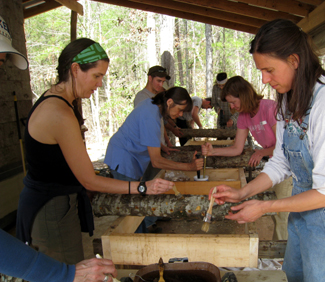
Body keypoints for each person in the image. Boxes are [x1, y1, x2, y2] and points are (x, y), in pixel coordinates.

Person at [208, 19, 325, 282]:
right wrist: (243, 192)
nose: (264, 80)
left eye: (269, 70)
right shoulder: (287, 98)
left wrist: (265, 207)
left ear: (294, 60)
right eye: (261, 71)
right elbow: (281, 161)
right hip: (305, 210)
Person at [0, 15, 118, 282]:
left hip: (56, 205)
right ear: (75, 69)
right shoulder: (59, 110)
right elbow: (89, 179)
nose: (99, 83)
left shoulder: (63, 101)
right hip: (50, 209)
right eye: (97, 75)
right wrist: (141, 187)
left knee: (67, 274)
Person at [202, 75, 292, 240]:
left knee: (283, 215)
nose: (232, 106)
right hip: (274, 165)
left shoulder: (269, 108)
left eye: (233, 102)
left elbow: (284, 144)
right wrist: (212, 151)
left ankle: (281, 256)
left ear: (243, 96)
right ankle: (277, 250)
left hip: (287, 166)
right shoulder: (244, 117)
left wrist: (262, 152)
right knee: (274, 209)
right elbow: (237, 148)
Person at [104, 87, 203, 227]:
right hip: (123, 158)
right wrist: (189, 167)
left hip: (130, 156)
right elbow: (156, 161)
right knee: (133, 208)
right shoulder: (150, 115)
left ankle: (146, 228)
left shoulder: (154, 106)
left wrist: (160, 144)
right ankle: (138, 240)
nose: (181, 114)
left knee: (138, 202)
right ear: (169, 102)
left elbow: (146, 135)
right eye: (180, 110)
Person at [134, 65, 182, 147]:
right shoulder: (142, 97)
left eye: (163, 82)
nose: (161, 84)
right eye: (159, 81)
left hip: (158, 145)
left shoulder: (158, 98)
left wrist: (167, 142)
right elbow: (145, 128)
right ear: (150, 78)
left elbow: (161, 122)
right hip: (148, 148)